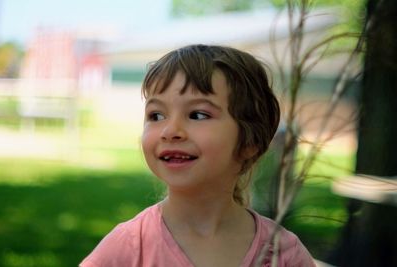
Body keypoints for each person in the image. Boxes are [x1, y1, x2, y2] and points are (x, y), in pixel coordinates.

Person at [80, 44, 315, 267]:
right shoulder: (127, 248)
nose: (170, 131)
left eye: (198, 115)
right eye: (156, 115)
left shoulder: (284, 253)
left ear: (250, 140)